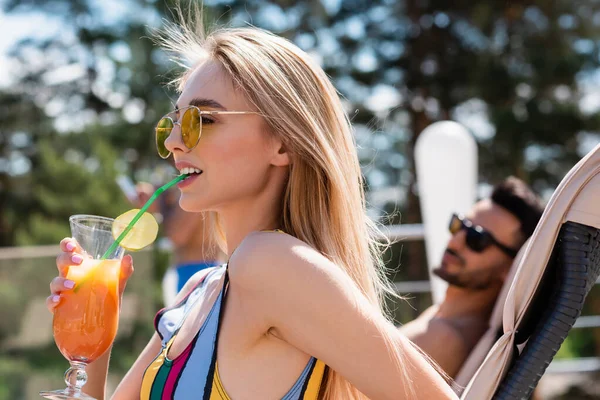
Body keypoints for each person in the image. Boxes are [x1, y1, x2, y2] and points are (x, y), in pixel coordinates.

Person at [46, 7, 458, 400]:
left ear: (282, 143)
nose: (173, 141)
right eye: (173, 123)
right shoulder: (199, 289)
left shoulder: (270, 263)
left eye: (203, 120)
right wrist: (96, 320)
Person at [399, 176, 545, 378]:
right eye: (458, 225)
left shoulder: (442, 338)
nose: (454, 242)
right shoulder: (444, 319)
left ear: (510, 269)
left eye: (477, 238)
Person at [133, 181, 225, 305]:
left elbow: (177, 235)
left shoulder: (199, 186)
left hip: (198, 273)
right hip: (195, 271)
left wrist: (157, 205)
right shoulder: (198, 182)